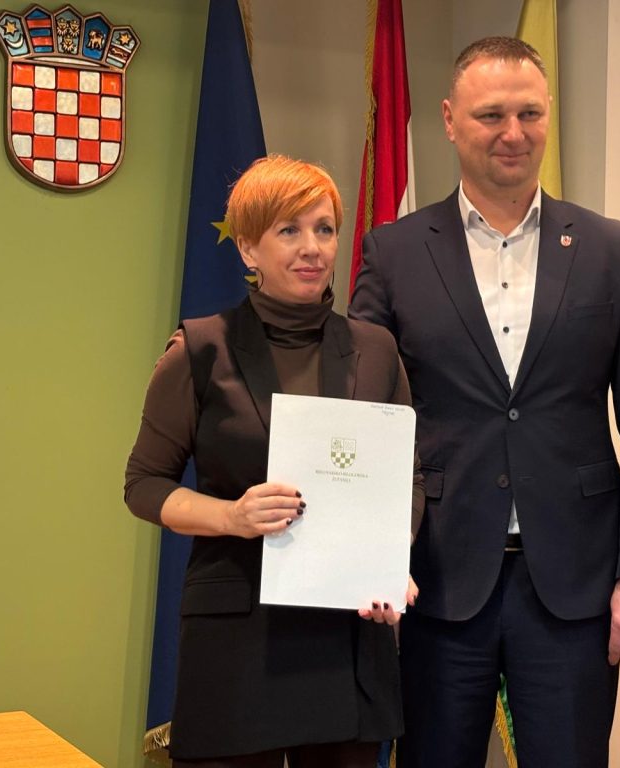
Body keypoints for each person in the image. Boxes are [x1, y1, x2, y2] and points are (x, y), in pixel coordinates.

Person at [350, 36, 620, 768]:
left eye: (530, 113)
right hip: (435, 584)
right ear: (449, 119)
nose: (513, 132)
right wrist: (369, 556)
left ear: (548, 114)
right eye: (491, 114)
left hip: (575, 589)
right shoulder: (393, 253)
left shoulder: (611, 250)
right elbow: (363, 419)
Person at [125, 155, 422, 768]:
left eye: (324, 228)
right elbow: (144, 484)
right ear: (247, 248)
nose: (312, 247)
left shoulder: (375, 350)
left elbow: (405, 478)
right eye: (289, 230)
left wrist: (391, 559)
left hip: (347, 635)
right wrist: (232, 516)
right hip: (238, 635)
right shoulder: (200, 349)